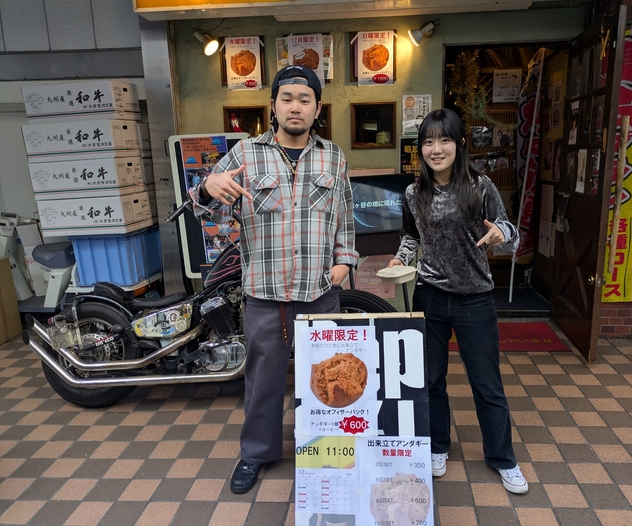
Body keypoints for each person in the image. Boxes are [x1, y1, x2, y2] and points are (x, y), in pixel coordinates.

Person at [189, 65, 358, 494]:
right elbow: (201, 205)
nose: (295, 107)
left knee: (329, 378)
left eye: (304, 99)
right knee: (262, 382)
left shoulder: (333, 156)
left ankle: (326, 449)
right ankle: (257, 453)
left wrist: (344, 262)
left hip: (320, 293)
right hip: (266, 296)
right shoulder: (246, 153)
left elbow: (345, 216)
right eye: (287, 99)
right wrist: (208, 185)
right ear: (273, 106)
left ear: (317, 108)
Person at [386, 108, 528, 494]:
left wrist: (502, 234)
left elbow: (511, 231)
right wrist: (401, 258)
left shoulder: (480, 186)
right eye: (428, 142)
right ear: (421, 148)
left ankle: (502, 458)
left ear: (460, 144)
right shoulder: (414, 193)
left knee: (487, 383)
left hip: (475, 299)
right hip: (429, 295)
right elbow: (412, 236)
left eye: (444, 140)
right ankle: (437, 447)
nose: (436, 149)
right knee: (430, 380)